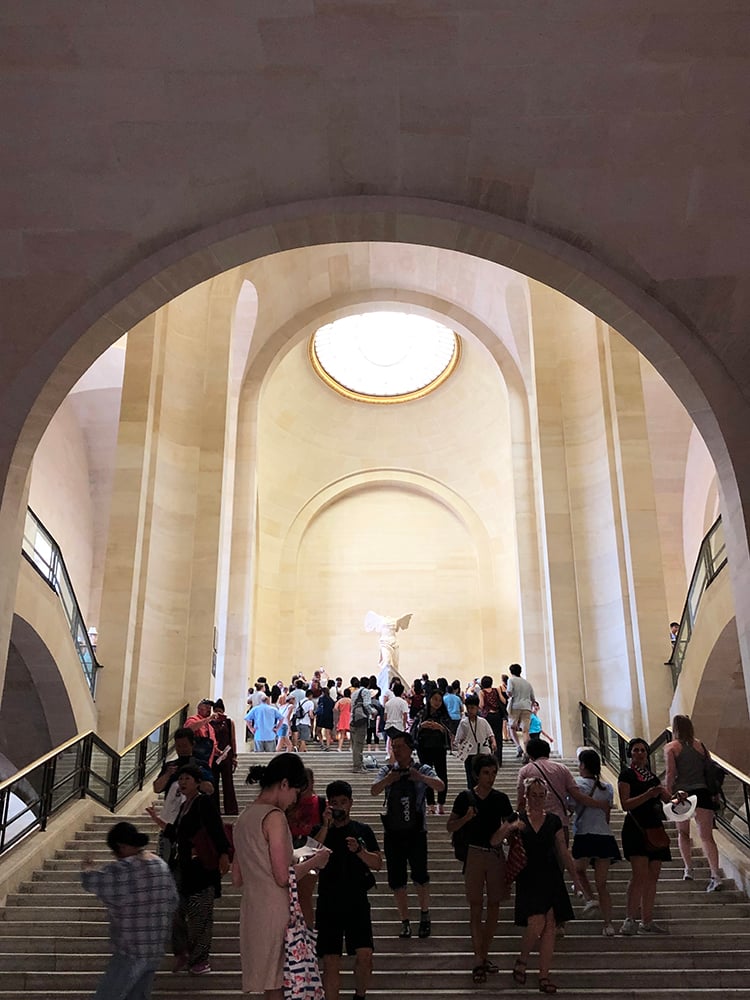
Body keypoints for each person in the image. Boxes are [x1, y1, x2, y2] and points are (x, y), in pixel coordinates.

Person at [233, 753, 330, 999]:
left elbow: (237, 877)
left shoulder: (243, 817)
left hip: (252, 909)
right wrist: (315, 860)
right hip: (276, 909)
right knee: (281, 983)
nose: (294, 801)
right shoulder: (274, 817)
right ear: (285, 784)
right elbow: (282, 877)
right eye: (296, 793)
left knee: (270, 985)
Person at [146, 764, 231, 976]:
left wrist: (223, 854)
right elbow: (178, 834)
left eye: (187, 779)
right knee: (177, 909)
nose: (182, 782)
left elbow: (216, 829)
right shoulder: (185, 806)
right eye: (180, 779)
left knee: (200, 914)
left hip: (202, 867)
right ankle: (183, 951)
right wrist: (159, 821)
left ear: (197, 782)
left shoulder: (203, 802)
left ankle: (199, 959)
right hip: (185, 866)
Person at [81, 821, 178, 1000]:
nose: (116, 856)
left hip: (130, 949)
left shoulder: (123, 870)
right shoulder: (160, 865)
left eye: (115, 851)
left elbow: (96, 883)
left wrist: (86, 869)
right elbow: (173, 900)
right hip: (154, 948)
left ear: (122, 847)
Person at [446, 754, 520, 985]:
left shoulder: (501, 799)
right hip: (474, 853)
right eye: (486, 773)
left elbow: (510, 826)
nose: (491, 777)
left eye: (494, 773)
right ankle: (479, 958)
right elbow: (450, 826)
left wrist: (510, 831)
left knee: (495, 905)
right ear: (477, 774)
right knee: (476, 907)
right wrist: (466, 817)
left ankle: (483, 954)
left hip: (495, 855)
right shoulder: (464, 798)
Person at [370, 732, 444, 939]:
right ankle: (405, 921)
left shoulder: (422, 768)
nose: (397, 750)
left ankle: (424, 914)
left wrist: (420, 778)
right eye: (394, 746)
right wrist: (389, 779)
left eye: (401, 746)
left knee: (420, 875)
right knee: (396, 879)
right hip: (393, 833)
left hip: (417, 832)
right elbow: (373, 790)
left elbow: (440, 785)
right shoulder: (387, 770)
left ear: (411, 748)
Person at [512, 777, 582, 995]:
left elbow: (562, 850)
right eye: (534, 795)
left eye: (542, 795)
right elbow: (500, 842)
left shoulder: (552, 820)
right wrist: (511, 828)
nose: (538, 799)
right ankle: (522, 959)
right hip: (528, 875)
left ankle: (544, 974)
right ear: (526, 796)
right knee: (536, 921)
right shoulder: (518, 819)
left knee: (550, 923)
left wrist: (576, 878)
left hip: (551, 874)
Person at [315, 779, 383, 1000]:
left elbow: (378, 863)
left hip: (357, 900)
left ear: (351, 803)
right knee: (330, 960)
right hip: (328, 902)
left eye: (343, 802)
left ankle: (360, 995)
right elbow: (309, 856)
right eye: (334, 802)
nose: (339, 807)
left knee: (365, 955)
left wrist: (359, 850)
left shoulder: (362, 830)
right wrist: (325, 825)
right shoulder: (321, 831)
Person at [618, 737, 671, 935]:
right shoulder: (627, 775)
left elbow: (668, 799)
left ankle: (647, 920)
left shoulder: (653, 778)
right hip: (636, 827)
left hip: (654, 827)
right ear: (630, 753)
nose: (640, 753)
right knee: (639, 875)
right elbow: (625, 804)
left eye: (642, 750)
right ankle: (629, 919)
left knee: (653, 876)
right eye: (636, 750)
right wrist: (648, 795)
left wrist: (678, 797)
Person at [664, 714, 723, 891]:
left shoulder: (671, 747)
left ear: (675, 728)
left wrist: (667, 794)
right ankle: (715, 874)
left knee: (683, 833)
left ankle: (688, 868)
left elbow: (670, 773)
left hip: (681, 793)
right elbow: (710, 769)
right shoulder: (701, 746)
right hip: (703, 791)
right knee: (706, 836)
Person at [517, 739, 608, 845]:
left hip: (533, 822)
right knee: (561, 856)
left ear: (530, 754)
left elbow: (521, 800)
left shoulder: (525, 771)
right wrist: (599, 804)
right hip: (560, 822)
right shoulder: (562, 769)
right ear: (548, 752)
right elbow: (577, 795)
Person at [571, 749, 621, 937]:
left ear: (583, 765)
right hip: (604, 836)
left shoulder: (577, 784)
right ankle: (608, 924)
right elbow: (607, 814)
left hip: (584, 832)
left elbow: (571, 805)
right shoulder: (606, 788)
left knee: (577, 869)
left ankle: (590, 898)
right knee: (602, 884)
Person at [287, 766, 327, 926]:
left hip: (311, 850)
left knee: (304, 895)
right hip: (289, 850)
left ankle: (308, 933)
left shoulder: (320, 803)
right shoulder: (289, 803)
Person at [414, 688, 452, 815]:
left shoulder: (444, 716)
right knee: (426, 775)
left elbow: (451, 731)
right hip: (424, 748)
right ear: (429, 699)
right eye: (435, 699)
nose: (437, 702)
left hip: (439, 748)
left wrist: (440, 728)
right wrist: (421, 726)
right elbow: (412, 730)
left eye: (440, 700)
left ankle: (441, 803)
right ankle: (430, 804)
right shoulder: (422, 714)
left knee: (442, 775)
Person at [454, 694, 496, 787]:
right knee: (470, 776)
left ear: (477, 708)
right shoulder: (463, 722)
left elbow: (490, 734)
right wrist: (460, 744)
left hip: (482, 752)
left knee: (483, 776)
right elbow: (458, 738)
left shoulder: (483, 721)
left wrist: (493, 743)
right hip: (469, 753)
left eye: (472, 708)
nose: (470, 710)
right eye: (468, 708)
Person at [209, 698, 239, 815]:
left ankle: (231, 809)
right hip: (214, 755)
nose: (218, 713)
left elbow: (233, 739)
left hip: (227, 755)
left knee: (228, 783)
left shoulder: (229, 722)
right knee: (214, 783)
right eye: (216, 711)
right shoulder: (209, 723)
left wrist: (234, 756)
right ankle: (214, 809)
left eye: (220, 711)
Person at [506, 664, 535, 758]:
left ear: (511, 672)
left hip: (515, 706)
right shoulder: (527, 683)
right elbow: (533, 698)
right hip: (527, 707)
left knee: (512, 727)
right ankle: (527, 752)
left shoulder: (511, 680)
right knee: (525, 731)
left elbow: (509, 692)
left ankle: (518, 746)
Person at [478, 674, 507, 767]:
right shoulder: (496, 690)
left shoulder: (482, 692)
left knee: (488, 736)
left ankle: (489, 759)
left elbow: (481, 705)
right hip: (497, 715)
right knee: (498, 736)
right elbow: (503, 701)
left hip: (487, 716)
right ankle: (498, 760)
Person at [349, 676, 372, 773]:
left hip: (353, 720)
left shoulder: (354, 693)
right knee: (359, 744)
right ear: (368, 684)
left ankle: (358, 764)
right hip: (361, 720)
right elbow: (366, 704)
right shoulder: (366, 691)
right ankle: (357, 766)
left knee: (355, 744)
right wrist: (372, 712)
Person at [334, 687, 352, 751]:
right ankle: (350, 747)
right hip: (348, 716)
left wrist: (339, 711)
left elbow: (335, 708)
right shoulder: (350, 700)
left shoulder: (340, 700)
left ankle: (339, 747)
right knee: (350, 733)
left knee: (342, 734)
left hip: (342, 716)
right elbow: (353, 708)